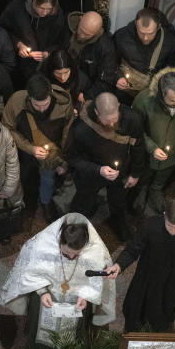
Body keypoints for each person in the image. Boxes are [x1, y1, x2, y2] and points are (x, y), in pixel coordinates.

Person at [0, 213, 115, 345]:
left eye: (76, 254)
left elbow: (97, 280)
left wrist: (86, 295)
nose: (70, 257)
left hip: (78, 299)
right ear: (59, 241)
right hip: (46, 294)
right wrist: (42, 292)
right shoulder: (43, 245)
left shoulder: (94, 251)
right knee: (40, 331)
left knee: (74, 337)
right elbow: (31, 273)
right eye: (65, 253)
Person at [106, 197, 175, 332]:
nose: (172, 231)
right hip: (147, 271)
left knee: (165, 306)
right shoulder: (149, 225)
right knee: (137, 305)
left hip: (173, 275)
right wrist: (118, 265)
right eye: (169, 225)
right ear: (164, 215)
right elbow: (133, 249)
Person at [68, 92, 146, 240]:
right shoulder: (81, 127)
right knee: (83, 200)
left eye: (114, 119)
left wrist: (136, 173)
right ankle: (74, 229)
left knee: (118, 200)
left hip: (119, 170)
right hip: (91, 172)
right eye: (107, 121)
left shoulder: (132, 119)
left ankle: (117, 220)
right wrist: (98, 170)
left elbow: (138, 146)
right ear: (97, 112)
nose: (111, 125)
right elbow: (73, 158)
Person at [1, 74, 75, 222]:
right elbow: (7, 128)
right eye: (36, 105)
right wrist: (30, 148)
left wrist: (62, 158)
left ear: (51, 94)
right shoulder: (16, 102)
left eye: (45, 104)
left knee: (48, 178)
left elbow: (68, 130)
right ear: (29, 97)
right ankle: (28, 204)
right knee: (27, 178)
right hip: (26, 151)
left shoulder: (64, 103)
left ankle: (46, 202)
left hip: (52, 153)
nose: (42, 109)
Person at [131, 67, 175, 215]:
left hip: (174, 154)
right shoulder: (144, 100)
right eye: (173, 101)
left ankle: (156, 191)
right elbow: (135, 130)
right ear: (162, 93)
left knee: (162, 178)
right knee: (145, 175)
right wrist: (151, 147)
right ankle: (142, 191)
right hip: (148, 155)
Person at [0, 0, 69, 82]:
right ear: (34, 2)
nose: (45, 13)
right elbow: (2, 30)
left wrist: (48, 52)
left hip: (46, 66)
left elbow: (62, 40)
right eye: (41, 8)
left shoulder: (57, 14)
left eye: (49, 9)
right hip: (18, 65)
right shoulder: (16, 8)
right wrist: (18, 44)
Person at [113, 8, 175, 98]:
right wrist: (118, 77)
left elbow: (169, 69)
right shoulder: (121, 36)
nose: (145, 38)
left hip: (151, 94)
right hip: (123, 90)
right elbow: (111, 61)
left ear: (159, 27)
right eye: (141, 33)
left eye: (150, 33)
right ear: (136, 24)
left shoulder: (169, 41)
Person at [67, 10, 118, 99]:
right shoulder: (67, 27)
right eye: (81, 30)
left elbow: (105, 81)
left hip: (85, 86)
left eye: (87, 35)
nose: (82, 36)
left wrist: (87, 95)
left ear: (97, 32)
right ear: (80, 19)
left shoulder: (106, 47)